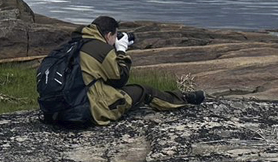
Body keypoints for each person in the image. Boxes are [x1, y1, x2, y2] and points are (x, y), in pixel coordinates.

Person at [76, 15, 205, 125]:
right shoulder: (101, 49)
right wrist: (121, 50)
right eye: (115, 36)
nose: (115, 40)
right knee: (145, 91)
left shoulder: (76, 43)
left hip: (69, 103)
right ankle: (184, 99)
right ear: (108, 35)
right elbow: (121, 79)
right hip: (92, 107)